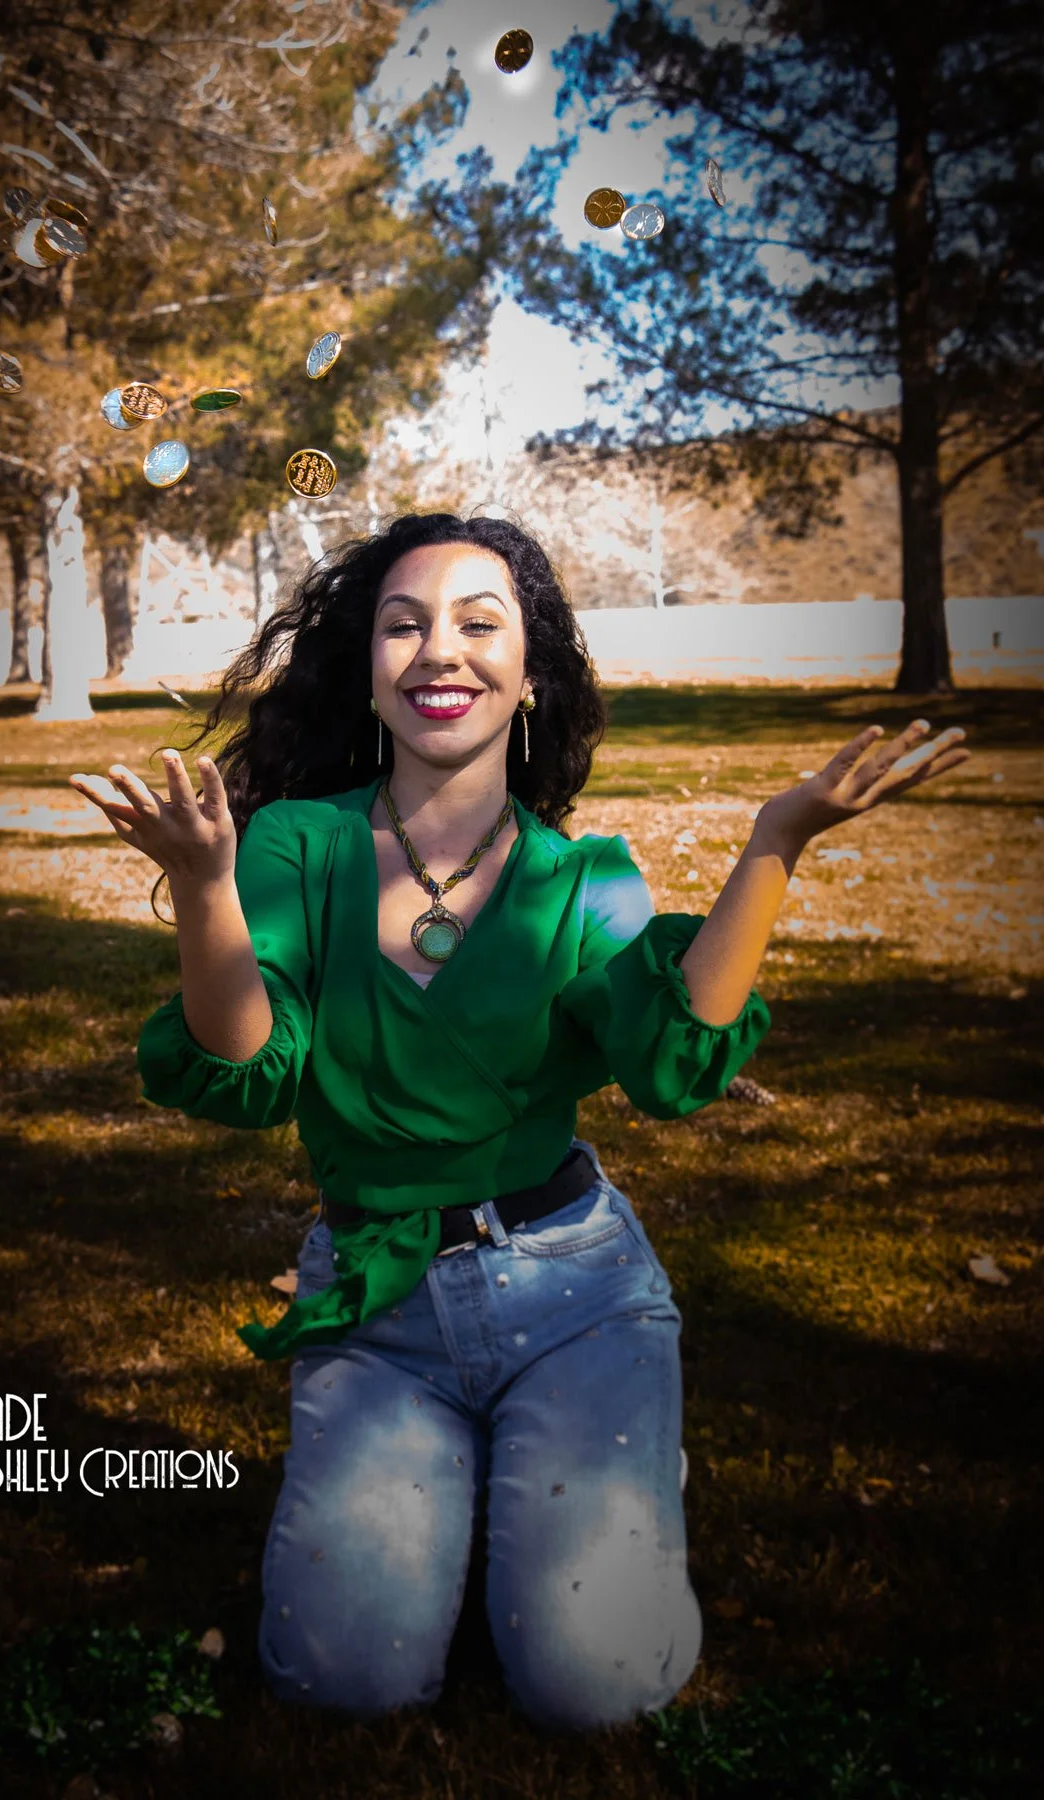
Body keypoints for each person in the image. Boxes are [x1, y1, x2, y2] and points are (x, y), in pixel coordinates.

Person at [68, 511, 969, 1733]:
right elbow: (248, 1069)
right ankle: (507, 1497)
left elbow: (669, 1063)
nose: (441, 650)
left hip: (574, 1295)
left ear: (531, 674)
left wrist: (775, 845)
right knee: (342, 1682)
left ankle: (608, 1479)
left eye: (480, 624)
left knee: (593, 1690)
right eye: (405, 623)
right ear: (369, 669)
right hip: (378, 1304)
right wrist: (205, 891)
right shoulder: (294, 845)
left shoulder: (582, 874)